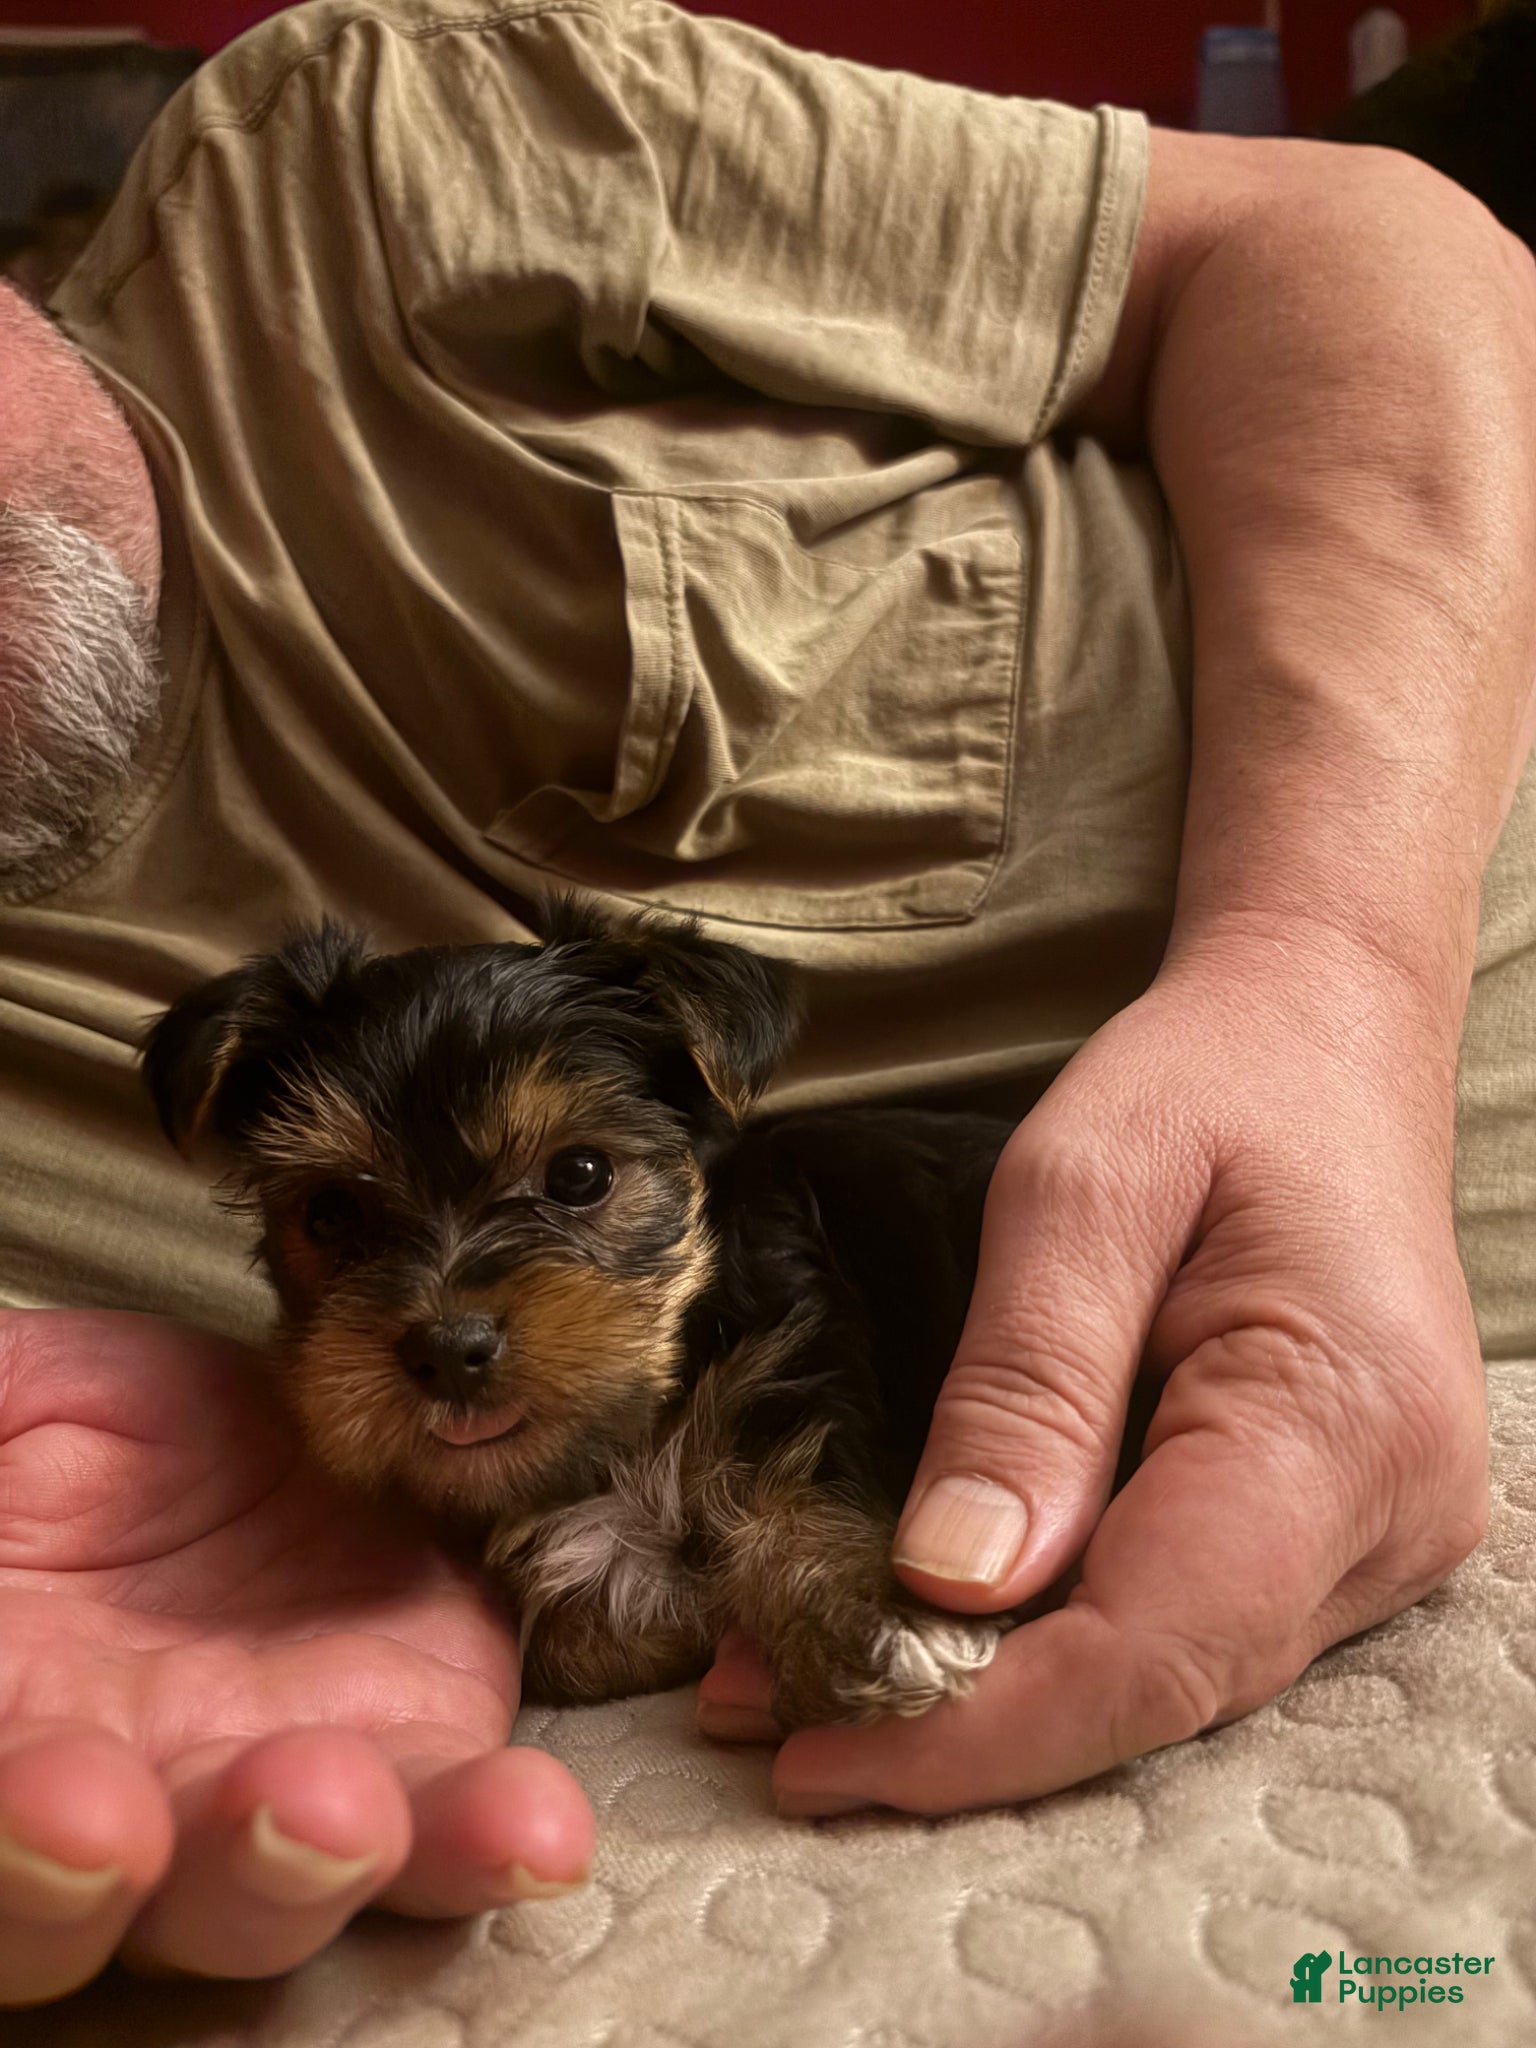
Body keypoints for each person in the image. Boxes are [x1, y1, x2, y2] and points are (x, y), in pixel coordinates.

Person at [1, 0, 1533, 2007]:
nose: (450, 1291)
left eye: (564, 1186)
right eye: (338, 1218)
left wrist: (1330, 977)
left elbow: (1388, 245)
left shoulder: (377, 157)